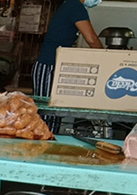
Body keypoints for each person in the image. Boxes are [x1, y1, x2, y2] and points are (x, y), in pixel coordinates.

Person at [32, 0, 104, 132]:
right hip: (49, 65)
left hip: (56, 65)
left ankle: (47, 146)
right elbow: (91, 39)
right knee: (48, 112)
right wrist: (107, 59)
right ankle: (41, 147)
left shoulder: (71, 5)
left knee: (54, 112)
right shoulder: (74, 6)